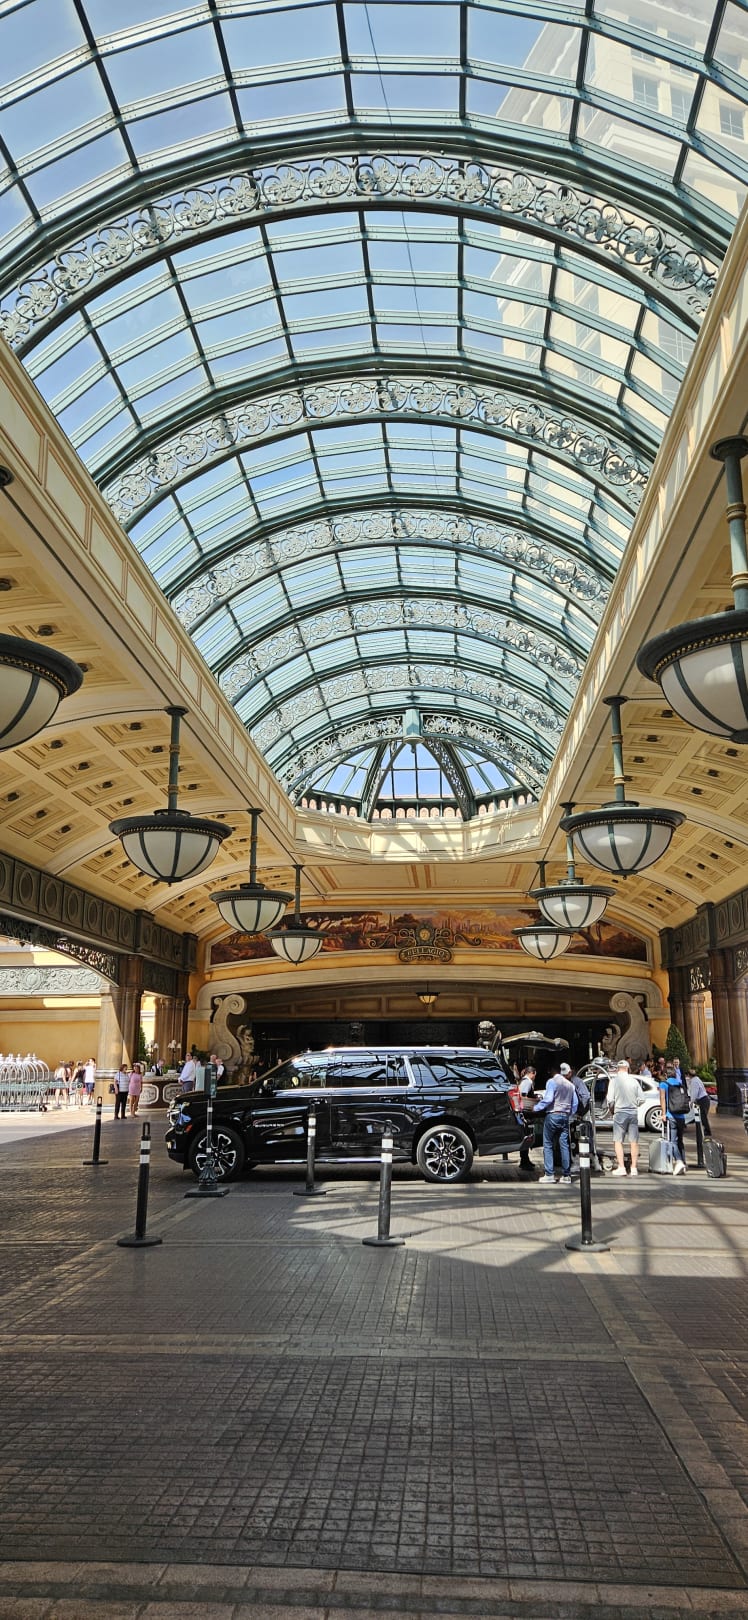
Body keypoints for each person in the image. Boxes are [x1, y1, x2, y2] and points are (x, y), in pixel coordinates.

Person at [534, 1062, 575, 1186]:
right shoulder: (570, 1085)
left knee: (548, 1144)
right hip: (565, 1116)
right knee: (564, 1145)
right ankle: (566, 1175)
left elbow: (548, 1099)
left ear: (552, 1071)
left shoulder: (552, 1082)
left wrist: (536, 1108)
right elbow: (575, 1103)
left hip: (553, 1114)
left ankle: (549, 1174)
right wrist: (569, 1114)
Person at [606, 1059, 643, 1177]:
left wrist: (612, 1111)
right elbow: (642, 1098)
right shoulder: (634, 1081)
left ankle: (621, 1167)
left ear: (618, 1069)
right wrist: (634, 1104)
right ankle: (634, 1168)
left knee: (618, 1140)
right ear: (627, 1068)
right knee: (634, 1141)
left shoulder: (614, 1081)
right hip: (632, 1113)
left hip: (620, 1113)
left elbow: (610, 1100)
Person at [660, 1064, 690, 1175]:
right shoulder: (680, 1084)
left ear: (665, 1075)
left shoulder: (664, 1084)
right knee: (680, 1140)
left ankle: (678, 1161)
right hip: (681, 1116)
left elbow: (662, 1099)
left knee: (672, 1141)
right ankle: (684, 1163)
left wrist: (663, 1114)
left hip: (671, 1115)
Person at [686, 1068, 711, 1139]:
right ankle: (705, 1129)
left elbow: (695, 1093)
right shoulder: (697, 1079)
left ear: (689, 1075)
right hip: (704, 1099)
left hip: (702, 1100)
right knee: (703, 1116)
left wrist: (691, 1102)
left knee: (703, 1116)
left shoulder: (694, 1082)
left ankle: (707, 1130)